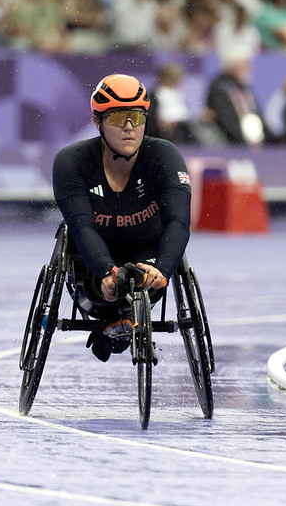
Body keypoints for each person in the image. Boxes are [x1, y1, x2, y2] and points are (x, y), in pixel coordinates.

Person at [52, 74, 192, 362]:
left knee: (140, 277)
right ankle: (108, 320)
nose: (129, 128)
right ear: (97, 122)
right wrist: (106, 271)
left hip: (148, 255)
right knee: (106, 283)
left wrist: (163, 270)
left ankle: (125, 319)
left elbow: (178, 222)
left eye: (136, 117)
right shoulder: (71, 161)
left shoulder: (164, 156)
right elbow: (81, 225)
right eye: (117, 118)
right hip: (93, 262)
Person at [205, 46, 272, 145]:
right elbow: (227, 120)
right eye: (245, 63)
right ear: (232, 65)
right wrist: (244, 141)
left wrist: (271, 139)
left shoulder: (244, 87)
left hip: (254, 141)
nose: (249, 67)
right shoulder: (219, 87)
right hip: (234, 144)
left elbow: (256, 114)